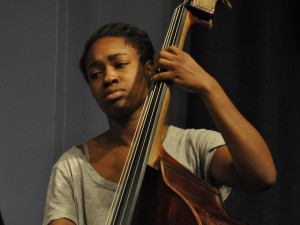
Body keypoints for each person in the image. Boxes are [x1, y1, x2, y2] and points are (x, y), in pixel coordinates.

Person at [42, 22, 276, 225]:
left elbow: (262, 176)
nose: (108, 78)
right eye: (95, 74)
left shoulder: (194, 145)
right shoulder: (72, 166)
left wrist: (209, 88)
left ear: (150, 69)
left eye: (120, 64)